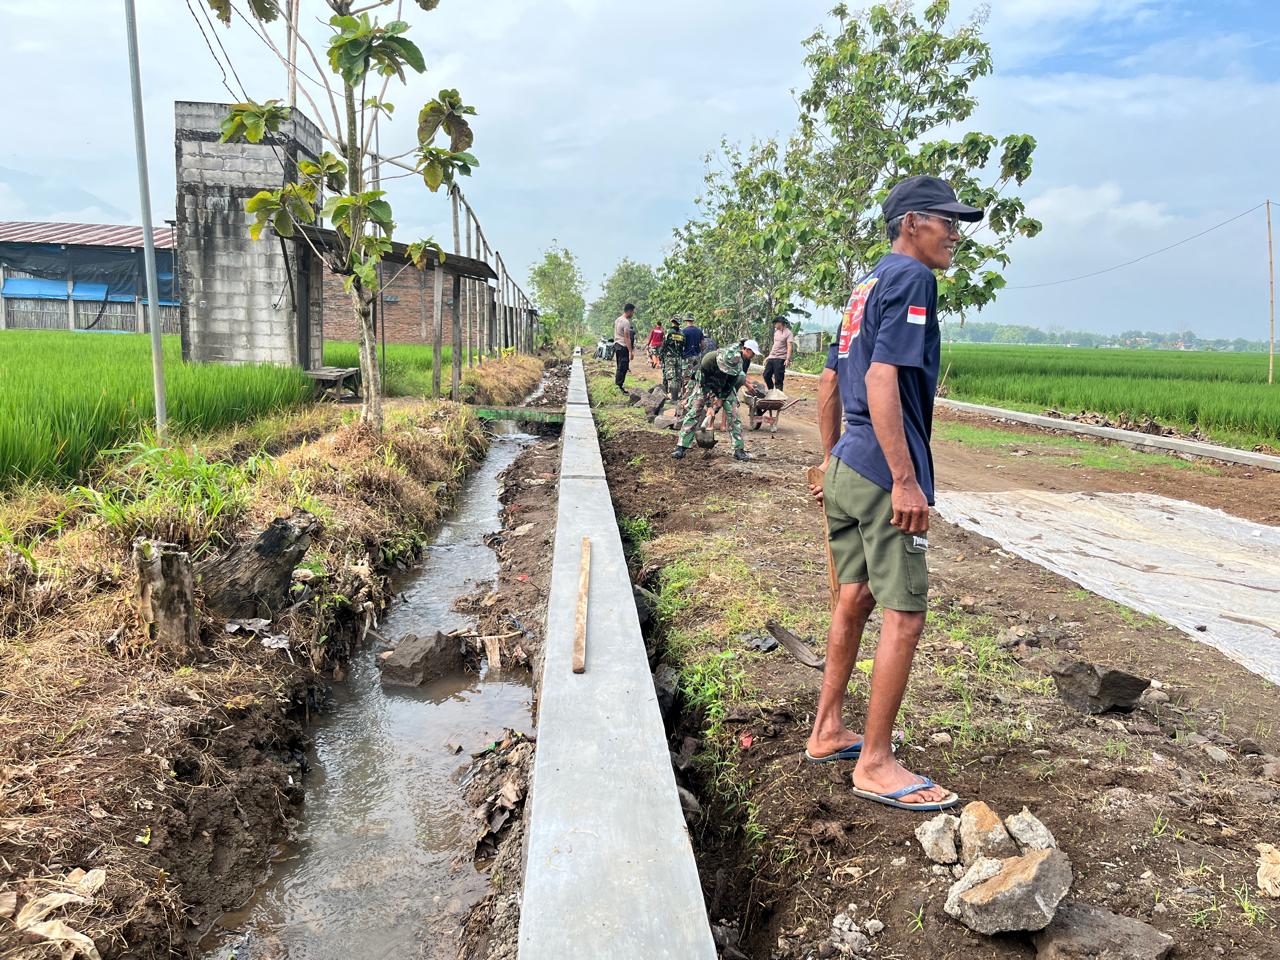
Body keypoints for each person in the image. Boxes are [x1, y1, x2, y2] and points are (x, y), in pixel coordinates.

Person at [806, 174, 982, 812]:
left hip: (848, 463)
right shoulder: (912, 280)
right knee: (903, 614)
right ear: (913, 222)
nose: (956, 235)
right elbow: (881, 377)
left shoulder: (866, 285)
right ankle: (875, 762)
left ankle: (828, 730)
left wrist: (828, 461)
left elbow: (830, 381)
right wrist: (906, 480)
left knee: (852, 598)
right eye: (948, 222)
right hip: (883, 473)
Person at [672, 339, 761, 462]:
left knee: (734, 414)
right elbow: (704, 384)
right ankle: (681, 447)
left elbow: (730, 384)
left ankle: (738, 449)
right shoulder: (708, 360)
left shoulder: (738, 364)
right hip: (706, 384)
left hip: (723, 385)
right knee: (695, 410)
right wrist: (709, 406)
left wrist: (721, 399)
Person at [658, 317, 687, 408]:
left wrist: (661, 355)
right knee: (678, 377)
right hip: (679, 357)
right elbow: (683, 345)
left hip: (670, 357)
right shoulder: (682, 334)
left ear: (673, 322)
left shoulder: (670, 332)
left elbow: (664, 344)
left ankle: (672, 398)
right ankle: (677, 396)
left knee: (671, 377)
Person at [763, 316, 794, 392]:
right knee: (766, 375)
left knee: (778, 378)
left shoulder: (788, 333)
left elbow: (789, 346)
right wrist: (769, 356)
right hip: (772, 357)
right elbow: (775, 345)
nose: (774, 325)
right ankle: (771, 391)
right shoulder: (776, 332)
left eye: (775, 323)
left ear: (780, 323)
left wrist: (787, 359)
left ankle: (778, 397)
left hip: (780, 358)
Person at [613, 303, 636, 393]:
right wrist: (630, 351)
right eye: (633, 312)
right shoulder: (626, 322)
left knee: (619, 366)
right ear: (629, 311)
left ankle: (618, 385)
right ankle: (619, 386)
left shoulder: (618, 319)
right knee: (623, 367)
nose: (633, 314)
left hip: (617, 345)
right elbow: (627, 337)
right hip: (623, 346)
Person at [680, 316, 704, 388]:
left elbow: (681, 345)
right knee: (696, 375)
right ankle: (694, 392)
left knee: (686, 376)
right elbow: (703, 345)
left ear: (686, 321)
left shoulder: (683, 331)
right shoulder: (699, 331)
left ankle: (684, 394)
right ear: (693, 321)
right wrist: (699, 352)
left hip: (687, 356)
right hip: (697, 356)